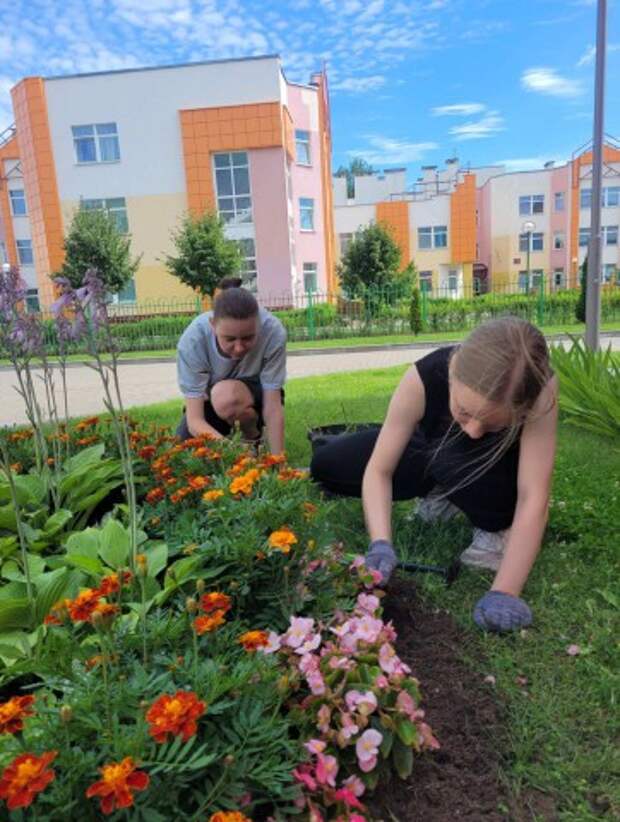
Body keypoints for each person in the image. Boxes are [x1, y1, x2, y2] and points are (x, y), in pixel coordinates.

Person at [310, 317, 558, 633]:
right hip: (434, 446)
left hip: (494, 470)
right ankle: (444, 488)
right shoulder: (425, 374)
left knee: (456, 454)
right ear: (452, 374)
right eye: (465, 412)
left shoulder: (539, 389)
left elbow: (534, 495)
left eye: (494, 425)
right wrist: (381, 543)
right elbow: (379, 469)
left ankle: (487, 518)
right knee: (328, 463)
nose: (473, 430)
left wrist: (505, 592)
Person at [176, 278, 286, 454]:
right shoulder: (192, 342)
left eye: (248, 338)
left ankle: (253, 436)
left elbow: (273, 406)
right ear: (213, 326)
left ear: (258, 323)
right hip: (211, 400)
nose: (239, 348)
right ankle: (241, 445)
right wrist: (234, 452)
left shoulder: (273, 332)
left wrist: (279, 462)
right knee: (184, 450)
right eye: (230, 339)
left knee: (226, 395)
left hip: (254, 395)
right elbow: (195, 420)